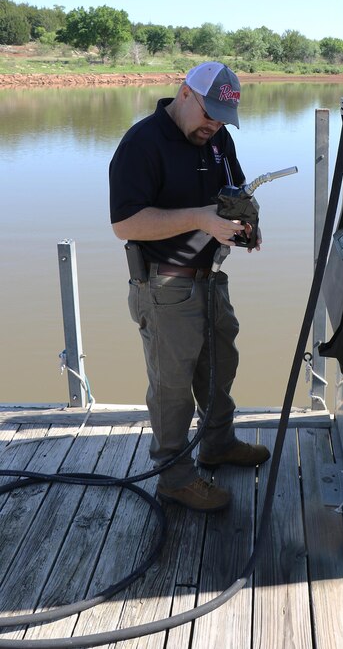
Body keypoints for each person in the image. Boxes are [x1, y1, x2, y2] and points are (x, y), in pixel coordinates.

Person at [109, 61, 270, 512]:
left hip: (210, 280)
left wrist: (248, 226)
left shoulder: (218, 138)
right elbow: (125, 222)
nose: (214, 125)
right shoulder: (141, 143)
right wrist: (200, 218)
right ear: (184, 94)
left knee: (221, 366)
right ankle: (174, 476)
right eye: (208, 113)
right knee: (173, 387)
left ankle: (217, 445)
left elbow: (235, 191)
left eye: (222, 117)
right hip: (163, 287)